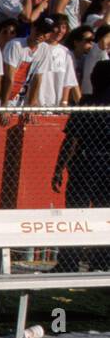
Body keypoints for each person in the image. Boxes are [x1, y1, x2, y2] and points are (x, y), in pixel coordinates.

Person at [51, 60, 110, 272]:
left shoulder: (87, 104)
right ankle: (101, 262)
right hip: (102, 163)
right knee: (105, 215)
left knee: (77, 214)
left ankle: (69, 261)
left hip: (86, 163)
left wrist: (59, 168)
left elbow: (72, 141)